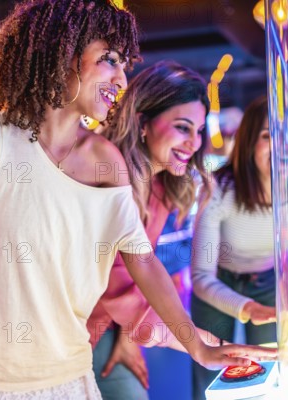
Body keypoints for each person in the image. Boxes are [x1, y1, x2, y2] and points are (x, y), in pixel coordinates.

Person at [0, 2, 272, 399]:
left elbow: (142, 261)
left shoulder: (105, 162)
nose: (121, 77)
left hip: (65, 376)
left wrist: (197, 345)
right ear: (61, 52)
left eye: (124, 63)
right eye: (109, 60)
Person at [88, 61, 257, 400]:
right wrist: (201, 343)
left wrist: (127, 335)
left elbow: (137, 274)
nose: (194, 143)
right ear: (143, 123)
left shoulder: (164, 187)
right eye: (183, 128)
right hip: (61, 330)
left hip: (106, 325)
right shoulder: (103, 171)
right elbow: (114, 280)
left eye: (198, 131)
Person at [190, 96, 288, 399]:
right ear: (248, 144)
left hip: (268, 282)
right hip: (217, 283)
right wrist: (247, 308)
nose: (284, 145)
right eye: (267, 135)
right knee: (208, 376)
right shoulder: (219, 188)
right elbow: (201, 277)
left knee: (270, 374)